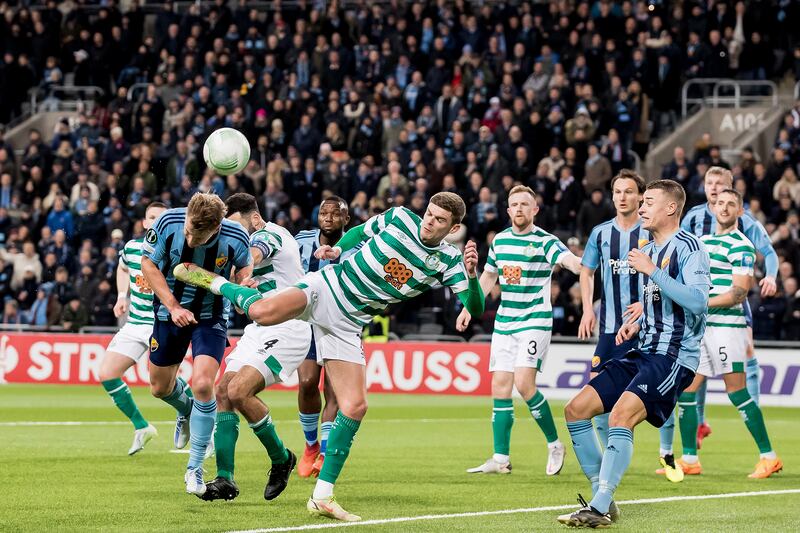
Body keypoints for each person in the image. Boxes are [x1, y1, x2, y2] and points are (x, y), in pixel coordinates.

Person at [174, 192, 485, 521]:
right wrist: (337, 249)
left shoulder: (449, 262)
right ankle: (216, 282)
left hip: (350, 323)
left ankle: (322, 496)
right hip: (327, 288)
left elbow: (474, 306)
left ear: (453, 228)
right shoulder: (401, 217)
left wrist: (473, 276)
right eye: (429, 214)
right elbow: (362, 231)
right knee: (263, 312)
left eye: (439, 220)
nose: (429, 222)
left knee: (355, 406)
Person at [558, 180, 710, 528]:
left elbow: (699, 301)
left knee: (619, 417)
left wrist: (652, 272)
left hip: (673, 357)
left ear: (671, 208)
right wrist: (640, 317)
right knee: (576, 410)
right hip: (644, 348)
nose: (641, 208)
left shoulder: (689, 247)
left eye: (649, 202)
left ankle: (597, 508)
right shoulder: (650, 250)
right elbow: (664, 297)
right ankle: (603, 497)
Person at [456, 185, 582, 476]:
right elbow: (488, 278)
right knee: (500, 386)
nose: (519, 209)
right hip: (505, 323)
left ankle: (554, 444)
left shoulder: (544, 241)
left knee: (524, 385)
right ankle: (501, 458)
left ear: (535, 210)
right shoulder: (499, 241)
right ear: (508, 210)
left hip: (534, 320)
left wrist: (580, 264)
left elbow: (567, 260)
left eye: (525, 204)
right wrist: (467, 308)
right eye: (514, 204)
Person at [141, 192, 252, 496]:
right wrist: (174, 306)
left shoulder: (236, 237)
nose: (189, 238)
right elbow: (148, 264)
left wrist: (243, 287)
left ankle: (194, 469)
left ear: (216, 228)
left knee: (204, 385)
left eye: (197, 235)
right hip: (169, 312)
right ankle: (186, 410)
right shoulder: (167, 222)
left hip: (210, 316)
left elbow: (243, 271)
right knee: (159, 387)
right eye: (188, 230)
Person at [202, 193, 309, 502]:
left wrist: (244, 272)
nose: (234, 233)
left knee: (239, 392)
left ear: (254, 218)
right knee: (223, 390)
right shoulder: (241, 245)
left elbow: (256, 253)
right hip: (259, 329)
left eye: (237, 226)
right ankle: (225, 479)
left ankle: (281, 458)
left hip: (289, 328)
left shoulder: (269, 234)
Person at [675, 189, 782, 478]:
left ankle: (769, 456)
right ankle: (689, 459)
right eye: (720, 203)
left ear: (740, 212)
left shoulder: (742, 245)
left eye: (730, 204)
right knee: (686, 389)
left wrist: (700, 302)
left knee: (737, 392)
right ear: (712, 208)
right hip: (702, 329)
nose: (723, 208)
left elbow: (738, 292)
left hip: (727, 329)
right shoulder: (703, 242)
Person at [578, 171, 647, 450]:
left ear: (641, 196)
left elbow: (666, 273)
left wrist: (646, 303)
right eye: (617, 192)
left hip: (647, 327)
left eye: (628, 191)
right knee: (596, 393)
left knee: (651, 393)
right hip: (609, 327)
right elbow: (586, 272)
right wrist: (587, 309)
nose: (622, 197)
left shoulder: (651, 232)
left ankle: (667, 452)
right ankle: (612, 453)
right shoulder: (601, 233)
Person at [98, 201, 167, 455]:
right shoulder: (132, 247)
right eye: (151, 217)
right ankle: (142, 426)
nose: (155, 221)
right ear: (145, 223)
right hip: (136, 324)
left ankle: (201, 426)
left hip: (162, 325)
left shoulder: (176, 252)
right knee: (107, 373)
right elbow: (122, 266)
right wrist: (121, 296)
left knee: (165, 387)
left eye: (161, 218)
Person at [293, 197, 351, 479]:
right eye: (323, 213)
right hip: (306, 321)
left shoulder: (357, 246)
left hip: (339, 324)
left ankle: (325, 453)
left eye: (334, 214)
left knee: (333, 390)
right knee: (306, 383)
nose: (327, 218)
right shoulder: (302, 239)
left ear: (346, 219)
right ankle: (310, 445)